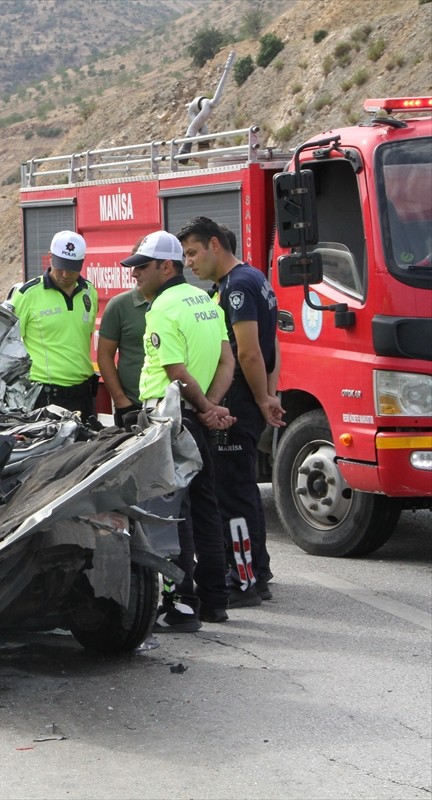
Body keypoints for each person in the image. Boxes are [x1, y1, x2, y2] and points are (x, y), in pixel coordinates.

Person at [122, 232, 235, 631]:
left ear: (165, 267)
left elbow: (175, 371)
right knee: (206, 509)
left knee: (171, 514)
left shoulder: (163, 309)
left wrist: (204, 407)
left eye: (142, 266)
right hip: (195, 419)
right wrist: (212, 406)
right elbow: (227, 360)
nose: (134, 273)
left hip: (168, 420)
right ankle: (215, 601)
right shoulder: (205, 301)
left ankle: (182, 605)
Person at [179, 216, 285, 607]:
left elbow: (250, 350)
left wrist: (260, 399)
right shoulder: (254, 278)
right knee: (243, 491)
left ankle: (243, 580)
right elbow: (276, 345)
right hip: (248, 400)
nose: (189, 262)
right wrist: (271, 394)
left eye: (193, 253)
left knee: (231, 495)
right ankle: (257, 569)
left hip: (237, 403)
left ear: (214, 245)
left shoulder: (237, 287)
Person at [8, 230, 99, 419]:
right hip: (46, 397)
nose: (65, 274)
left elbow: (83, 339)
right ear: (50, 259)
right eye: (61, 267)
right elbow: (8, 345)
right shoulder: (27, 295)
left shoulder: (89, 292)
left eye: (72, 268)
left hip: (83, 394)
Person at [96, 285, 149, 429]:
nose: (135, 273)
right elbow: (104, 356)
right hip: (133, 404)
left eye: (144, 266)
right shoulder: (119, 305)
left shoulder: (176, 303)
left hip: (174, 404)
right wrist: (121, 401)